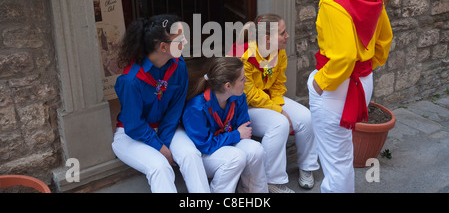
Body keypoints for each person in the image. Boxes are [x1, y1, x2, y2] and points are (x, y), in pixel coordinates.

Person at [309, 0, 393, 193]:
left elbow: (344, 56)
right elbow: (384, 39)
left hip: (336, 85)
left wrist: (321, 82)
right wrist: (369, 64)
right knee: (342, 155)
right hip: (361, 81)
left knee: (336, 160)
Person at [111, 15, 210, 193]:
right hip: (131, 135)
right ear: (163, 47)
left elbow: (175, 109)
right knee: (160, 167)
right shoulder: (131, 80)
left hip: (167, 127)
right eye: (180, 39)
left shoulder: (178, 67)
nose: (185, 41)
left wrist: (164, 142)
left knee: (191, 155)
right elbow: (134, 125)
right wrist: (160, 148)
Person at [229, 13, 319, 193]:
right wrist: (278, 110)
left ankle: (307, 167)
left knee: (306, 117)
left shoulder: (279, 52)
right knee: (279, 123)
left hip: (268, 98)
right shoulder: (244, 56)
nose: (287, 36)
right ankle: (272, 181)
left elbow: (278, 83)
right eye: (282, 33)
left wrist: (277, 104)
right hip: (244, 106)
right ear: (267, 38)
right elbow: (250, 94)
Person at [183, 57, 268, 193]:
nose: (246, 81)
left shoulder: (239, 97)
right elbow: (205, 145)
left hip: (226, 143)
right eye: (242, 79)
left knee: (255, 149)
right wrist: (235, 134)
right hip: (206, 156)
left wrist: (237, 135)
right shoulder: (197, 108)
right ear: (227, 85)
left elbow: (244, 130)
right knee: (236, 157)